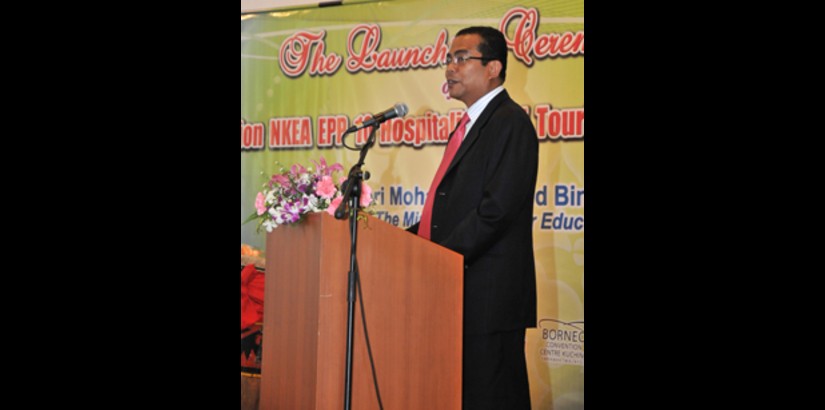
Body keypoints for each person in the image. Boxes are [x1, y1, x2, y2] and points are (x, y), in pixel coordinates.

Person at [407, 26, 538, 409]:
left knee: (493, 397)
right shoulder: (468, 127)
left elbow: (495, 210)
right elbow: (450, 211)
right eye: (449, 58)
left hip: (490, 298)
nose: (450, 67)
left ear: (494, 67)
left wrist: (438, 256)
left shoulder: (510, 123)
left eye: (462, 58)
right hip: (462, 290)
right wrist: (404, 239)